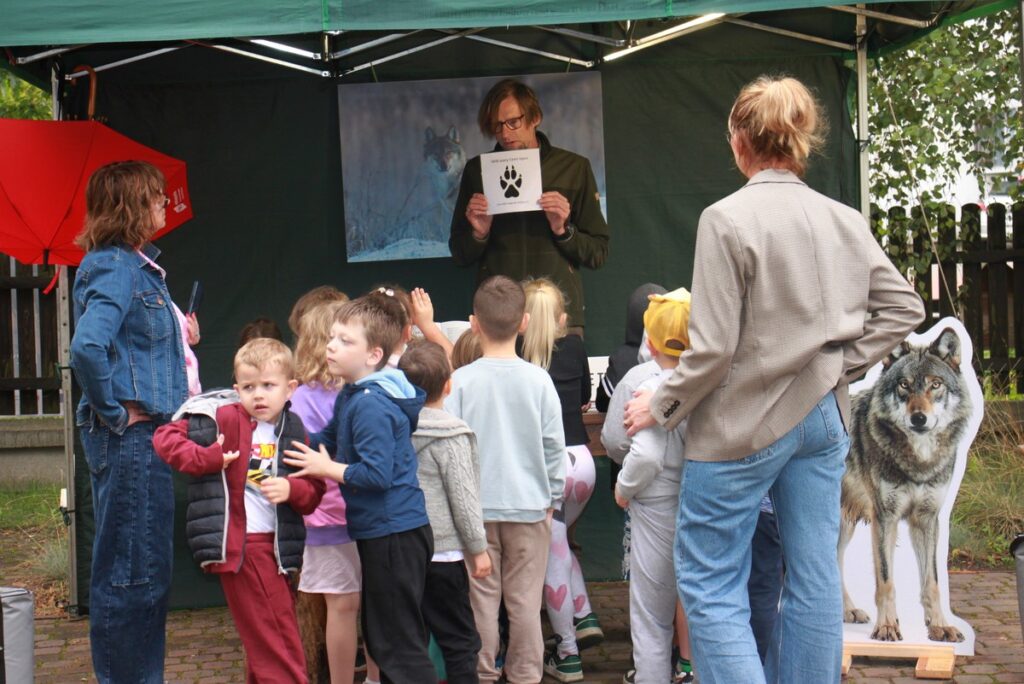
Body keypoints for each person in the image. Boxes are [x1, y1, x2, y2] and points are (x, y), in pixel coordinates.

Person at [623, 76, 925, 683]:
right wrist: (840, 365)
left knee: (710, 577)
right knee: (814, 574)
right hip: (823, 418)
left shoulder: (725, 219)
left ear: (739, 141)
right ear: (803, 139)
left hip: (743, 422)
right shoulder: (843, 218)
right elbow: (906, 309)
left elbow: (710, 353)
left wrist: (662, 402)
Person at [69, 160, 188, 683]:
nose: (164, 205)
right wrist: (116, 413)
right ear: (132, 204)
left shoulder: (134, 266)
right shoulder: (115, 266)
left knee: (146, 574)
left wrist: (181, 333)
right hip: (132, 439)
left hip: (146, 439)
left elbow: (126, 345)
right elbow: (87, 349)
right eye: (157, 197)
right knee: (131, 575)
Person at [283, 292, 436, 683]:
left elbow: (375, 475)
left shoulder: (369, 404)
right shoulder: (353, 394)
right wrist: (280, 436)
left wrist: (325, 468)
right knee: (385, 638)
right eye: (332, 337)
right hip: (383, 533)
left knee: (398, 645)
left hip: (394, 536)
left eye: (345, 341)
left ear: (373, 355)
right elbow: (327, 438)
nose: (331, 346)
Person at [153, 338, 325, 683]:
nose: (258, 395)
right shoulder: (220, 418)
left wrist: (292, 489)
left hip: (277, 550)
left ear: (290, 388)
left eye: (268, 385)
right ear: (236, 389)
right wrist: (209, 458)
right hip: (243, 547)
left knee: (266, 639)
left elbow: (314, 491)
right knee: (279, 641)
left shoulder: (293, 429)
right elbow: (164, 438)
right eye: (248, 387)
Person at [445, 275, 566, 684]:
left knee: (480, 604)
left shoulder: (458, 382)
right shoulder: (540, 381)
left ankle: (482, 674)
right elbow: (554, 447)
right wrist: (552, 497)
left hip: (474, 511)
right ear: (525, 322)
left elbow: (451, 450)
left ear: (473, 324)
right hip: (531, 508)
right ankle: (526, 676)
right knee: (526, 605)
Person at [449, 78, 609, 332]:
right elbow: (459, 253)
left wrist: (563, 231)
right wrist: (478, 234)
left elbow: (598, 253)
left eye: (514, 122)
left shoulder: (574, 168)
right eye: (497, 125)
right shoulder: (477, 171)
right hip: (498, 315)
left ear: (535, 117)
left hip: (556, 315)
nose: (505, 133)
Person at [290, 299, 381, 684]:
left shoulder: (298, 400)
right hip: (359, 516)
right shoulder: (362, 393)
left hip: (326, 520)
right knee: (373, 606)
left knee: (343, 608)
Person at [518, 278, 602, 683]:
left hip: (545, 467)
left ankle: (567, 653)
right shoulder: (575, 347)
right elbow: (586, 396)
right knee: (560, 544)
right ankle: (583, 616)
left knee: (554, 553)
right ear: (562, 318)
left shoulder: (516, 354)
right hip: (582, 462)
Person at [613, 289, 695, 684]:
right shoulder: (704, 387)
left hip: (657, 508)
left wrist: (624, 488)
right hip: (701, 502)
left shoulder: (649, 391)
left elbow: (644, 455)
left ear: (649, 340)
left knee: (651, 618)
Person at [399, 340, 492, 684]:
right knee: (461, 641)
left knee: (413, 637)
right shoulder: (452, 436)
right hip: (444, 555)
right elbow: (464, 499)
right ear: (449, 384)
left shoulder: (396, 429)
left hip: (406, 551)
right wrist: (478, 549)